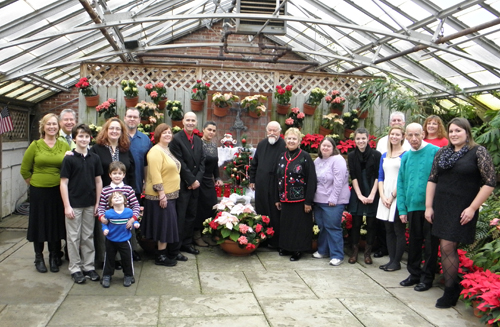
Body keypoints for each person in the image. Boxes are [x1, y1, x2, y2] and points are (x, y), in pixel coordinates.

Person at [425, 118, 495, 308]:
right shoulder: (442, 152)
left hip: (463, 208)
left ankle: (450, 289)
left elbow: (489, 182)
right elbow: (433, 179)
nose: (454, 134)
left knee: (447, 246)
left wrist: (472, 208)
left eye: (458, 131)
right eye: (451, 131)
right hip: (442, 206)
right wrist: (429, 206)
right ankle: (452, 285)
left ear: (467, 132)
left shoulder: (477, 152)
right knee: (445, 245)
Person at [20, 113, 70, 273]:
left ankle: (54, 256)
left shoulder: (64, 146)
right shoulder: (35, 145)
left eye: (54, 124)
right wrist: (35, 183)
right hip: (39, 192)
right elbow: (24, 170)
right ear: (43, 126)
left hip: (58, 192)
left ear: (58, 127)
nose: (52, 127)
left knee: (55, 224)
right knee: (39, 224)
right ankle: (39, 257)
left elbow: (70, 167)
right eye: (49, 124)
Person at [397, 123, 439, 292]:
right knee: (414, 243)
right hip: (412, 207)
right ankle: (414, 274)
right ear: (405, 136)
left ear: (423, 133)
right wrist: (402, 209)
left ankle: (427, 278)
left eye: (417, 134)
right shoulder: (406, 157)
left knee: (430, 244)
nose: (413, 139)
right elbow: (401, 183)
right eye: (410, 135)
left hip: (430, 208)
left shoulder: (435, 151)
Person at [90, 118, 136, 268]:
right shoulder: (97, 149)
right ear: (106, 130)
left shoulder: (125, 149)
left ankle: (122, 258)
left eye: (118, 129)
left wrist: (133, 194)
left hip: (123, 196)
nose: (114, 131)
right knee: (106, 227)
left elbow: (132, 172)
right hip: (104, 194)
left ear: (122, 132)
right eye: (111, 128)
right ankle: (105, 259)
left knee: (122, 225)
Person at [60, 124, 103, 284]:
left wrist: (98, 203)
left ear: (89, 138)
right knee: (73, 237)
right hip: (74, 204)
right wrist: (67, 206)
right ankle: (75, 268)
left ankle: (88, 266)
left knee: (88, 236)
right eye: (80, 136)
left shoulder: (94, 158)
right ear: (74, 138)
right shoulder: (69, 158)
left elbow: (98, 181)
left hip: (90, 203)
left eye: (86, 136)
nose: (83, 139)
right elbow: (63, 183)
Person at [275, 127, 317, 261]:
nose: (291, 141)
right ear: (285, 140)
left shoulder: (304, 157)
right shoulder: (282, 156)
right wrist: (277, 198)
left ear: (299, 141)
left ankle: (298, 250)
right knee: (287, 224)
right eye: (289, 138)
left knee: (298, 226)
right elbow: (277, 178)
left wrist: (308, 201)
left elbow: (312, 180)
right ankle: (286, 247)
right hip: (284, 198)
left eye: (294, 139)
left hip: (300, 200)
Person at [143, 123, 181, 266]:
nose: (167, 135)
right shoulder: (155, 151)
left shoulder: (166, 150)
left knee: (166, 226)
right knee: (163, 227)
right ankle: (160, 256)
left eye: (169, 132)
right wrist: (161, 194)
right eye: (164, 132)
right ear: (158, 135)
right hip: (160, 196)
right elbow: (155, 173)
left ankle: (164, 254)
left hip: (171, 195)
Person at [374, 111, 410, 258]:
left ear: (402, 137)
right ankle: (390, 259)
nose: (394, 137)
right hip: (385, 195)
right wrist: (382, 196)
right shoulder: (384, 155)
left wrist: (392, 196)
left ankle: (396, 260)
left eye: (397, 135)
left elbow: (404, 178)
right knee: (388, 229)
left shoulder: (406, 154)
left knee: (398, 230)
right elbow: (380, 176)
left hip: (398, 194)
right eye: (392, 134)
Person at [169, 112, 205, 256]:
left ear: (196, 122)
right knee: (181, 216)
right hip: (183, 185)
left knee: (191, 215)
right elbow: (179, 163)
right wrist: (191, 180)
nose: (190, 122)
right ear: (183, 121)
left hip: (195, 185)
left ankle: (187, 243)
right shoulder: (176, 140)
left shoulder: (198, 140)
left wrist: (197, 181)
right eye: (188, 120)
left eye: (193, 120)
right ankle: (176, 248)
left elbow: (202, 162)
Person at [312, 137, 350, 266]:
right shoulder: (317, 160)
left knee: (333, 227)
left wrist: (333, 198)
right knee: (322, 227)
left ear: (333, 148)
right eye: (323, 146)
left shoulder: (338, 160)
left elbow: (339, 181)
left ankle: (337, 255)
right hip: (319, 200)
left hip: (334, 201)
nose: (325, 148)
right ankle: (323, 251)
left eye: (328, 146)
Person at [249, 121, 286, 248]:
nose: (272, 133)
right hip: (261, 184)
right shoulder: (261, 144)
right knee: (262, 211)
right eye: (269, 130)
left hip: (276, 185)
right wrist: (252, 180)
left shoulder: (284, 145)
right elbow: (255, 164)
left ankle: (275, 242)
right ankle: (263, 239)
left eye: (274, 130)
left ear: (279, 132)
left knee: (275, 213)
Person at [347, 128, 381, 265]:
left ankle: (367, 253)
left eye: (363, 138)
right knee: (356, 223)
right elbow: (353, 176)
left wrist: (372, 194)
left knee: (372, 224)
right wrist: (360, 195)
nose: (361, 141)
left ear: (368, 139)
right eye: (358, 139)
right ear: (354, 140)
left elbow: (379, 176)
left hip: (373, 190)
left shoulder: (376, 155)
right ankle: (354, 252)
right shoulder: (351, 155)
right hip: (358, 191)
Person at [124, 107, 153, 260]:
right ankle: (122, 249)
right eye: (129, 116)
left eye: (135, 117)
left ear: (139, 120)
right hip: (120, 186)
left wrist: (146, 182)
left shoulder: (145, 139)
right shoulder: (118, 136)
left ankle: (133, 249)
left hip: (136, 185)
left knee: (133, 217)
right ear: (125, 118)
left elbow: (147, 164)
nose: (132, 119)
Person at [101, 191, 140, 288]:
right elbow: (104, 223)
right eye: (114, 197)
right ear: (111, 203)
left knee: (127, 258)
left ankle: (128, 275)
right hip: (111, 240)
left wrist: (135, 224)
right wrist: (105, 229)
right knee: (109, 258)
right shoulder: (108, 213)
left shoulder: (129, 212)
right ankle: (107, 275)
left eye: (120, 197)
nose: (117, 198)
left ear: (125, 201)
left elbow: (133, 220)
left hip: (124, 240)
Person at [194, 121, 223, 247]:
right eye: (209, 129)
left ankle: (207, 233)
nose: (211, 132)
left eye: (213, 130)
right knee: (199, 208)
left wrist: (217, 177)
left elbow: (215, 164)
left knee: (211, 206)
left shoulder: (213, 145)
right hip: (199, 180)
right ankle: (196, 235)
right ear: (203, 130)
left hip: (209, 181)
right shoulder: (198, 144)